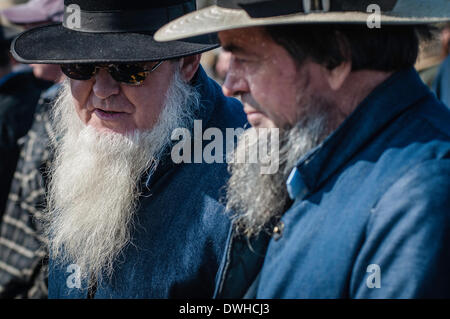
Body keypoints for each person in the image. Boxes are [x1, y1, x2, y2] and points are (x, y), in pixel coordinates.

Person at [156, 0, 450, 298]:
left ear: (335, 58)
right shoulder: (323, 154)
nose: (230, 85)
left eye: (245, 58)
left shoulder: (420, 193)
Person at [9, 0, 246, 298]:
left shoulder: (245, 171)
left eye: (129, 68)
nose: (101, 90)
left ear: (187, 63)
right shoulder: (77, 136)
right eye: (80, 67)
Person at [0, 0, 66, 298]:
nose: (23, 44)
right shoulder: (46, 100)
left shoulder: (67, 114)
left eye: (34, 30)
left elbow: (53, 241)